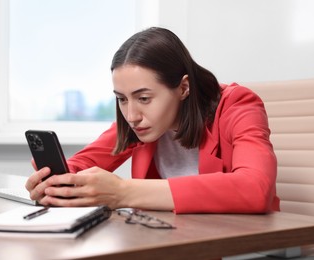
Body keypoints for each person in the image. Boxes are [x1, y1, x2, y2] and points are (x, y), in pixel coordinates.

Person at [25, 27, 280, 214]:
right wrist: (57, 184)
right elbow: (80, 165)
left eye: (144, 98)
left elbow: (255, 189)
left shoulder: (237, 104)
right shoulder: (140, 122)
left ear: (183, 88)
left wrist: (123, 192)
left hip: (241, 244)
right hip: (174, 239)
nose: (132, 116)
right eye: (122, 99)